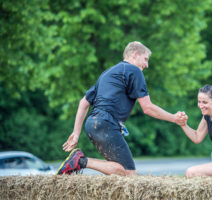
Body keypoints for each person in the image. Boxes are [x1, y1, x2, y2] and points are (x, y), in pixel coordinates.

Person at [57, 41, 187, 176]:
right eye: (145, 59)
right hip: (105, 123)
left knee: (120, 171)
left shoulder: (107, 73)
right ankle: (81, 161)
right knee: (129, 173)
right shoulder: (134, 70)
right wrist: (174, 118)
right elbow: (147, 108)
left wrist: (76, 133)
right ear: (135, 54)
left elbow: (83, 103)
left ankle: (80, 161)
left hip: (92, 124)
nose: (147, 65)